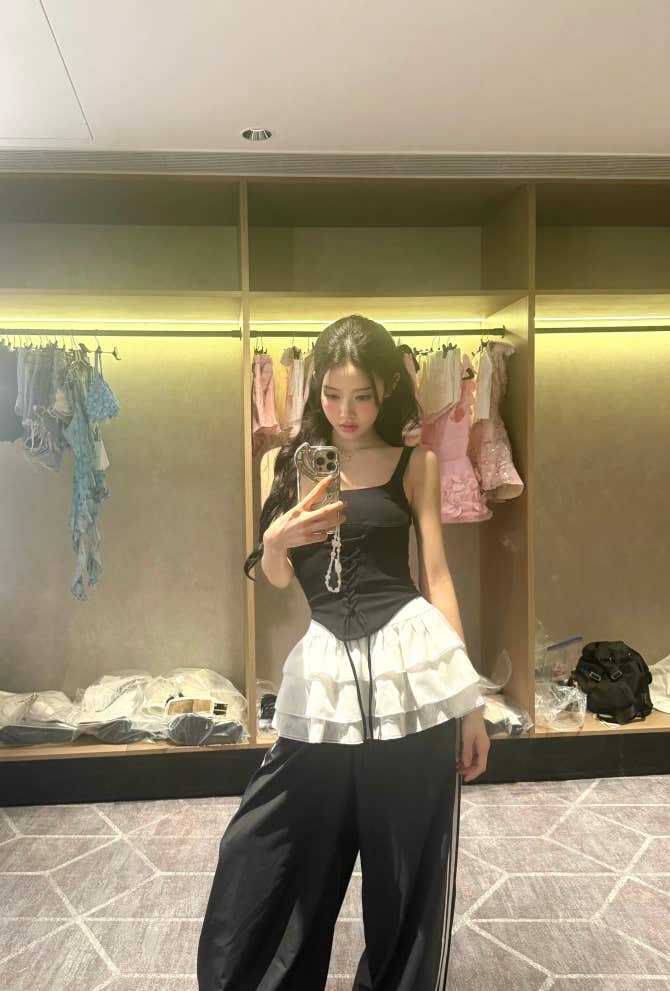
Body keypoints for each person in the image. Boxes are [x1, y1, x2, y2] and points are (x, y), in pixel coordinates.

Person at [198, 315, 490, 991]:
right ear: (315, 390)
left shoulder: (416, 464)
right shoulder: (283, 464)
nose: (347, 412)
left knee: (404, 862)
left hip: (413, 672)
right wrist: (277, 540)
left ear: (386, 387)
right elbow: (275, 576)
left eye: (361, 395)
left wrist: (470, 701)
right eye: (332, 395)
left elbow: (437, 576)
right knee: (267, 843)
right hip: (326, 671)